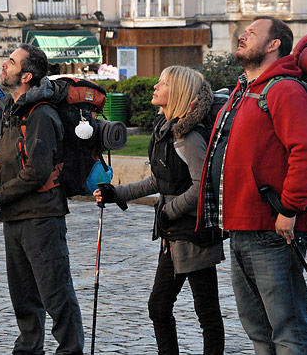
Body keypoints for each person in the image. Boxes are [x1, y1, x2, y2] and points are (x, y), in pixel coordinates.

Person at [196, 16, 307, 354]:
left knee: (287, 330)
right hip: (240, 226)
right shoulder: (244, 89)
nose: (242, 36)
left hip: (273, 229)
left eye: (252, 33)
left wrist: (290, 209)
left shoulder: (284, 89)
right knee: (258, 330)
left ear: (273, 45)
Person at [94, 65, 225, 354]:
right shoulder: (165, 130)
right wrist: (117, 192)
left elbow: (200, 186)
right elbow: (161, 179)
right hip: (173, 235)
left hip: (193, 236)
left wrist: (169, 212)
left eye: (163, 83)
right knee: (159, 307)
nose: (156, 86)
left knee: (207, 313)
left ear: (176, 92)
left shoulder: (188, 137)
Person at [0, 44, 84, 354]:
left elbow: (37, 172)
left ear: (26, 75)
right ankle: (28, 349)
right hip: (15, 217)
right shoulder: (12, 108)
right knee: (23, 297)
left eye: (11, 62)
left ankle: (70, 350)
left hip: (41, 218)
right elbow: (7, 159)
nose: (4, 66)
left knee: (55, 294)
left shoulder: (41, 114)